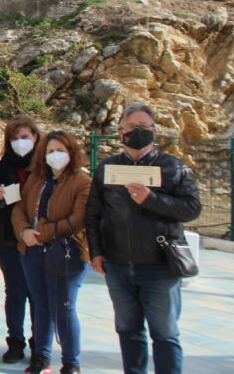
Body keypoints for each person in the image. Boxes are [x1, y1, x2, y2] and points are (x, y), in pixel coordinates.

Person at [86, 102, 201, 374]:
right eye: (131, 127)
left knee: (164, 334)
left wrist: (152, 199)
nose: (137, 131)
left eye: (144, 127)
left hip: (160, 266)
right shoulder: (107, 167)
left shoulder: (173, 167)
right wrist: (96, 252)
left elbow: (192, 209)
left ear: (154, 131)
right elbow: (94, 214)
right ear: (120, 132)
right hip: (118, 265)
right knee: (128, 330)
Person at [12, 131, 91, 374]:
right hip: (32, 251)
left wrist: (43, 233)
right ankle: (41, 357)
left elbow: (79, 219)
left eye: (60, 151)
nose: (55, 156)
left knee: (64, 308)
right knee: (41, 305)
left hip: (66, 252)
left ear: (71, 153)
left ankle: (70, 363)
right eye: (49, 151)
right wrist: (24, 231)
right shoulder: (37, 179)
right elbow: (19, 208)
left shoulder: (82, 182)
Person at [0, 116, 41, 364]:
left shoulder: (45, 167)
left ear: (35, 138)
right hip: (8, 238)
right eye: (14, 138)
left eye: (25, 137)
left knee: (37, 293)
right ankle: (15, 341)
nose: (20, 142)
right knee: (15, 290)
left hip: (37, 237)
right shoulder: (1, 166)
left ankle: (38, 343)